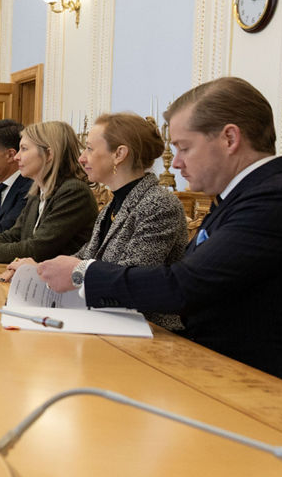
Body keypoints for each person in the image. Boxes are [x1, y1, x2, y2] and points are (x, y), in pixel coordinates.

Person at [37, 78, 282, 387]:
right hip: (218, 370)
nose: (175, 163)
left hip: (262, 387)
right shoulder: (240, 196)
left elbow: (185, 285)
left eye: (184, 148)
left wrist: (81, 274)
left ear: (230, 138)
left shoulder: (277, 199)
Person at [21, 113, 188, 329]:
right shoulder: (113, 204)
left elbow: (133, 277)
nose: (82, 158)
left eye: (89, 149)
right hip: (109, 321)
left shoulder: (158, 204)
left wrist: (74, 270)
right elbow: (84, 256)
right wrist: (36, 271)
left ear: (119, 154)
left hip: (150, 330)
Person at [0, 121, 96, 263]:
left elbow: (37, 249)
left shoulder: (73, 192)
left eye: (24, 149)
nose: (17, 157)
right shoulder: (38, 190)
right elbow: (12, 235)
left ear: (48, 154)